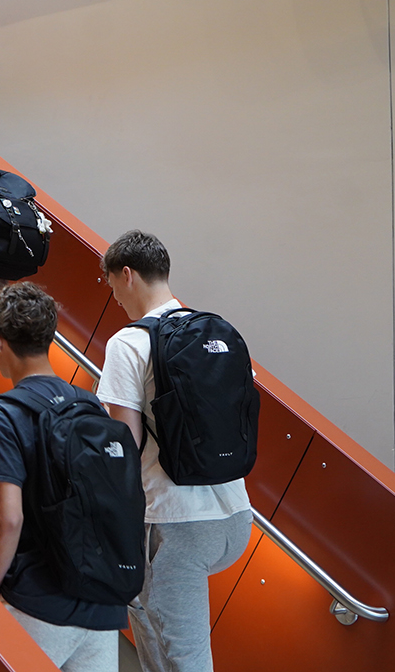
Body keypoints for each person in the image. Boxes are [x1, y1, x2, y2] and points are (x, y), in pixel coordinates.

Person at [95, 230, 252, 672]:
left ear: (127, 275)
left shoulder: (129, 342)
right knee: (152, 628)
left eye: (113, 288)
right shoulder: (214, 332)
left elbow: (124, 444)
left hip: (174, 523)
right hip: (235, 515)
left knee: (184, 660)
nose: (117, 301)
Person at [0, 283, 128, 671]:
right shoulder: (90, 405)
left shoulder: (2, 415)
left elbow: (8, 518)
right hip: (103, 605)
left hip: (39, 603)